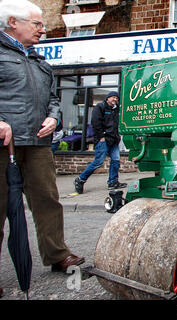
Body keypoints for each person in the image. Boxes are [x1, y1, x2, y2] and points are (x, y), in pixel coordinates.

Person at [0, 0, 85, 295]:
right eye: (37, 24)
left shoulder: (39, 61)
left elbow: (52, 99)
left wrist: (53, 116)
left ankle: (57, 255)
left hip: (37, 143)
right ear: (13, 22)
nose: (43, 29)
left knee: (48, 201)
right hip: (4, 144)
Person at [74, 91, 127, 194]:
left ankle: (113, 182)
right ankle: (80, 179)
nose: (115, 99)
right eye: (113, 97)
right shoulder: (100, 107)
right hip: (103, 139)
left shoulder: (116, 110)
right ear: (107, 98)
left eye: (116, 98)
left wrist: (118, 135)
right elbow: (95, 122)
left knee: (116, 160)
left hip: (114, 139)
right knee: (98, 162)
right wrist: (101, 137)